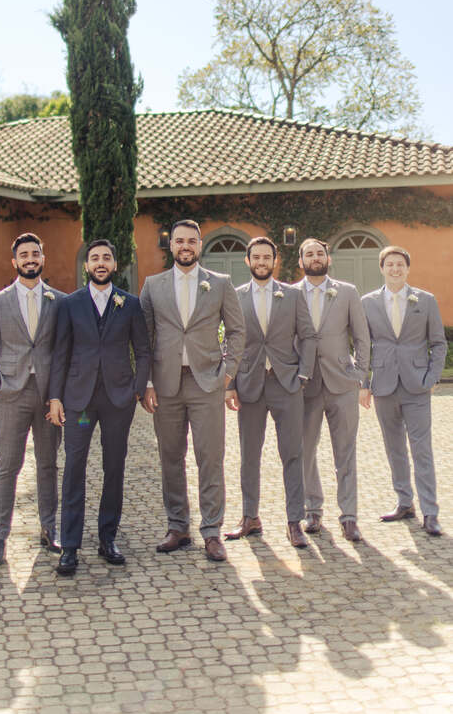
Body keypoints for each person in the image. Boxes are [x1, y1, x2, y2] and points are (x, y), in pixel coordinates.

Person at [140, 219, 245, 562]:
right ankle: (177, 526)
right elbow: (144, 337)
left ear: (200, 245)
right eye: (179, 240)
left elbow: (236, 331)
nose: (185, 246)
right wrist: (148, 382)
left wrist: (228, 373)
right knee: (171, 457)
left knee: (210, 457)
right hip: (166, 384)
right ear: (171, 245)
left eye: (191, 241)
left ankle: (212, 531)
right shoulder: (153, 285)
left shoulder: (220, 283)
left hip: (207, 382)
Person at [48, 239, 150, 576]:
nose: (101, 263)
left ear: (115, 265)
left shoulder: (130, 304)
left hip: (118, 401)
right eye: (95, 258)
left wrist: (137, 389)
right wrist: (55, 397)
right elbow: (60, 353)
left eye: (107, 257)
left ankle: (108, 539)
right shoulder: (70, 304)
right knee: (74, 467)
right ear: (87, 265)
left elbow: (143, 350)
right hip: (79, 403)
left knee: (114, 467)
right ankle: (70, 546)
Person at [0, 232, 66, 566]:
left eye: (35, 254)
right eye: (24, 255)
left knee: (48, 464)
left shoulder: (59, 301)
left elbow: (64, 350)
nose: (30, 259)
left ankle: (49, 528)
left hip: (48, 396)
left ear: (43, 258)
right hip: (12, 394)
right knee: (7, 466)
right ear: (14, 261)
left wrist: (59, 394)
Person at [225, 237, 315, 548]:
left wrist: (303, 374)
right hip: (249, 384)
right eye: (257, 257)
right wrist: (230, 384)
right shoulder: (234, 296)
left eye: (267, 257)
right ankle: (250, 517)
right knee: (249, 455)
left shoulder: (292, 295)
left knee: (292, 453)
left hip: (286, 383)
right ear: (247, 261)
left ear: (275, 261)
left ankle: (294, 522)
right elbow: (229, 340)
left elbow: (308, 336)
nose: (262, 262)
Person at [361, 245, 447, 536]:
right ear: (382, 268)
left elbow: (438, 343)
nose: (395, 269)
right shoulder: (368, 302)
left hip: (417, 385)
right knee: (394, 448)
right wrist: (363, 383)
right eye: (390, 264)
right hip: (384, 385)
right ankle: (404, 502)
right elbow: (362, 346)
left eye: (400, 264)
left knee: (422, 449)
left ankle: (430, 512)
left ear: (407, 268)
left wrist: (431, 377)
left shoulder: (426, 300)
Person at [297, 238, 370, 542]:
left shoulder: (347, 292)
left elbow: (362, 337)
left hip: (342, 383)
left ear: (328, 258)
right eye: (309, 254)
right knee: (304, 451)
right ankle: (312, 510)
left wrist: (360, 375)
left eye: (320, 253)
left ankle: (349, 516)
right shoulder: (290, 294)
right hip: (305, 385)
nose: (315, 257)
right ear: (300, 261)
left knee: (345, 452)